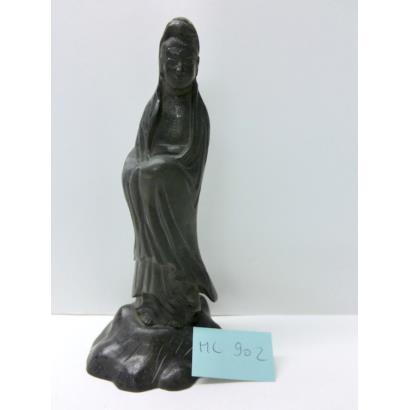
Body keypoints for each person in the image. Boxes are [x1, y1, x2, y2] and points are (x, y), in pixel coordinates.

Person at [122, 18, 217, 328]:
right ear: (160, 63)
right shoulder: (154, 107)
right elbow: (140, 150)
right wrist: (137, 168)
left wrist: (159, 169)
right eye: (171, 59)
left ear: (197, 64)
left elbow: (191, 163)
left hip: (175, 194)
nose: (178, 68)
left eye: (186, 61)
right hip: (151, 193)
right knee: (132, 170)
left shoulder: (197, 114)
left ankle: (180, 302)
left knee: (156, 172)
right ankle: (150, 299)